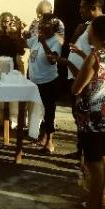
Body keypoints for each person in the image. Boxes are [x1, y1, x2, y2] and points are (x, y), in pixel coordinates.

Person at [63, 15, 105, 209]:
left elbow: (77, 87)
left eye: (90, 29)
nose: (87, 32)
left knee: (94, 164)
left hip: (92, 119)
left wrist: (69, 65)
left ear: (95, 33)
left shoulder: (94, 57)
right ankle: (97, 201)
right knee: (101, 160)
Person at [63, 0, 105, 159]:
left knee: (85, 117)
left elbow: (96, 57)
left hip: (87, 80)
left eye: (83, 7)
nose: (79, 10)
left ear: (93, 8)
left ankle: (87, 156)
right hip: (77, 75)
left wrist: (77, 56)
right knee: (79, 116)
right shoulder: (89, 24)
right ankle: (81, 151)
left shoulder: (101, 26)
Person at [27, 13, 62, 154]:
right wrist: (18, 32)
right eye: (40, 22)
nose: (40, 25)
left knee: (48, 111)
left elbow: (52, 60)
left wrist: (43, 43)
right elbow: (22, 44)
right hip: (35, 81)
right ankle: (42, 136)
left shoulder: (55, 41)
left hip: (48, 81)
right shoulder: (36, 38)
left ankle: (50, 141)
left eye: (44, 23)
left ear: (52, 26)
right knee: (39, 110)